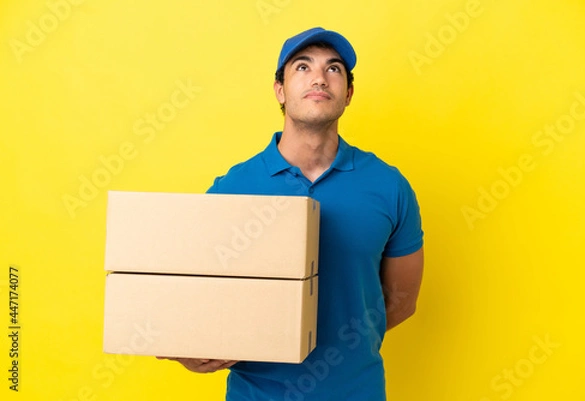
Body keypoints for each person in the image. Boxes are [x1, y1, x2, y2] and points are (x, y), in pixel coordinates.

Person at [161, 27, 424, 400]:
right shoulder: (232, 188)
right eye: (302, 67)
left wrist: (345, 337)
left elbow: (401, 300)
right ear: (280, 90)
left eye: (334, 69)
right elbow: (194, 299)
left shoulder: (389, 186)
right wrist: (190, 350)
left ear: (348, 93)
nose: (319, 77)